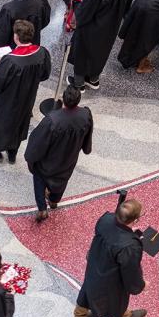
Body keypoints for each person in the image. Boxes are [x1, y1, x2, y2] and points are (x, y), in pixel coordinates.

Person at [0, 20, 51, 165]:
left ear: (16, 37)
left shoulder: (10, 60)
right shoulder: (42, 52)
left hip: (7, 101)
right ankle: (12, 155)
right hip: (27, 99)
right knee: (18, 125)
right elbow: (45, 74)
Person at [72, 199, 147, 317]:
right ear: (135, 220)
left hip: (95, 263)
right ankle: (123, 315)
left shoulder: (105, 219)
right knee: (116, 298)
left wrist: (128, 232)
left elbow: (112, 233)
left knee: (88, 288)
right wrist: (141, 285)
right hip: (111, 276)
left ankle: (79, 316)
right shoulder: (130, 246)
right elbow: (130, 271)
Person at [27, 87, 93, 222]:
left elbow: (38, 142)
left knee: (39, 180)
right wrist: (85, 148)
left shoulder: (52, 120)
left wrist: (30, 157)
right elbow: (87, 136)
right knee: (62, 180)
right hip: (69, 158)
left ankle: (42, 209)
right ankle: (54, 201)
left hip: (48, 162)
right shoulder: (86, 115)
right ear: (78, 100)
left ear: (63, 99)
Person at [67, 0, 131, 91]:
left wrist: (79, 2)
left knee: (83, 53)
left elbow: (84, 14)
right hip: (111, 26)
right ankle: (93, 79)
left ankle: (79, 84)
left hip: (92, 28)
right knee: (101, 52)